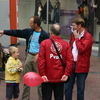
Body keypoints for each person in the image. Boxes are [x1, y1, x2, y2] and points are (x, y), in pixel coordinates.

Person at [0, 16, 49, 100]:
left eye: (31, 23)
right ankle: (25, 98)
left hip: (39, 58)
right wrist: (3, 32)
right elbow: (17, 32)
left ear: (36, 24)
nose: (29, 24)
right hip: (29, 55)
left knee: (40, 80)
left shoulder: (45, 35)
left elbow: (47, 47)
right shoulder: (29, 32)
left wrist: (40, 53)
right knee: (27, 78)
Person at [38, 24, 74, 100]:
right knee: (59, 97)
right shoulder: (66, 44)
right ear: (59, 33)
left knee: (46, 97)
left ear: (50, 32)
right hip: (60, 76)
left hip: (47, 76)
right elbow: (70, 60)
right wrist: (67, 73)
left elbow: (41, 60)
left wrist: (42, 74)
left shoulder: (44, 43)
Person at [64, 17, 94, 100]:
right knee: (67, 88)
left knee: (80, 90)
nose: (72, 27)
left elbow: (82, 50)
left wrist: (77, 38)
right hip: (71, 64)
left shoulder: (88, 37)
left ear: (79, 25)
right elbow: (70, 49)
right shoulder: (73, 35)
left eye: (73, 25)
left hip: (82, 66)